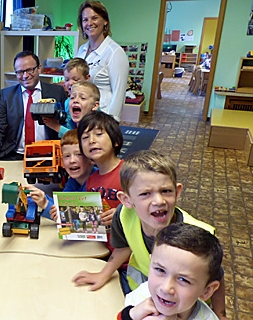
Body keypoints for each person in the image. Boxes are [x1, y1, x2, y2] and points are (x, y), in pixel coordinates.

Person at [72, 150, 227, 319]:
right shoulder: (124, 215)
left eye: (166, 191)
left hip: (186, 303)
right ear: (126, 200)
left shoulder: (198, 236)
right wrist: (104, 274)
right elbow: (123, 248)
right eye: (145, 194)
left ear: (177, 192)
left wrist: (221, 314)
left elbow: (217, 276)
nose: (159, 201)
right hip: (145, 290)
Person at [119, 223, 222, 320]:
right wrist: (130, 315)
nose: (166, 288)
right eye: (160, 270)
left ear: (207, 291)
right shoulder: (142, 293)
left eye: (183, 280)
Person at [0, 50, 68, 166]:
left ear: (39, 68)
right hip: (15, 155)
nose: (25, 76)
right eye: (20, 72)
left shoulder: (57, 92)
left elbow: (66, 124)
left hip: (49, 153)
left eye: (29, 70)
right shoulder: (7, 95)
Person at [23, 129, 96, 220]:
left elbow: (78, 218)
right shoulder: (73, 182)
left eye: (79, 154)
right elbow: (62, 208)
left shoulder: (96, 184)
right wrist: (42, 199)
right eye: (67, 156)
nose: (72, 160)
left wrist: (46, 203)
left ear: (92, 158)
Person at [75, 1, 129, 121]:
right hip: (82, 119)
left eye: (94, 18)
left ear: (105, 21)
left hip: (102, 120)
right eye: (85, 20)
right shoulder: (81, 50)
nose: (89, 23)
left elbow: (119, 95)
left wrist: (111, 125)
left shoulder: (115, 53)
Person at [77, 110, 123, 225]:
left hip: (128, 242)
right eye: (85, 137)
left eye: (98, 134)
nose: (91, 141)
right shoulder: (90, 181)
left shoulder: (130, 173)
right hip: (100, 242)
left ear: (116, 140)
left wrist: (123, 214)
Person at [43, 58, 91, 137]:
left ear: (87, 78)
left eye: (75, 79)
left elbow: (82, 136)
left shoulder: (90, 103)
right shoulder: (67, 102)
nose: (70, 83)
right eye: (67, 79)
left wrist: (57, 127)